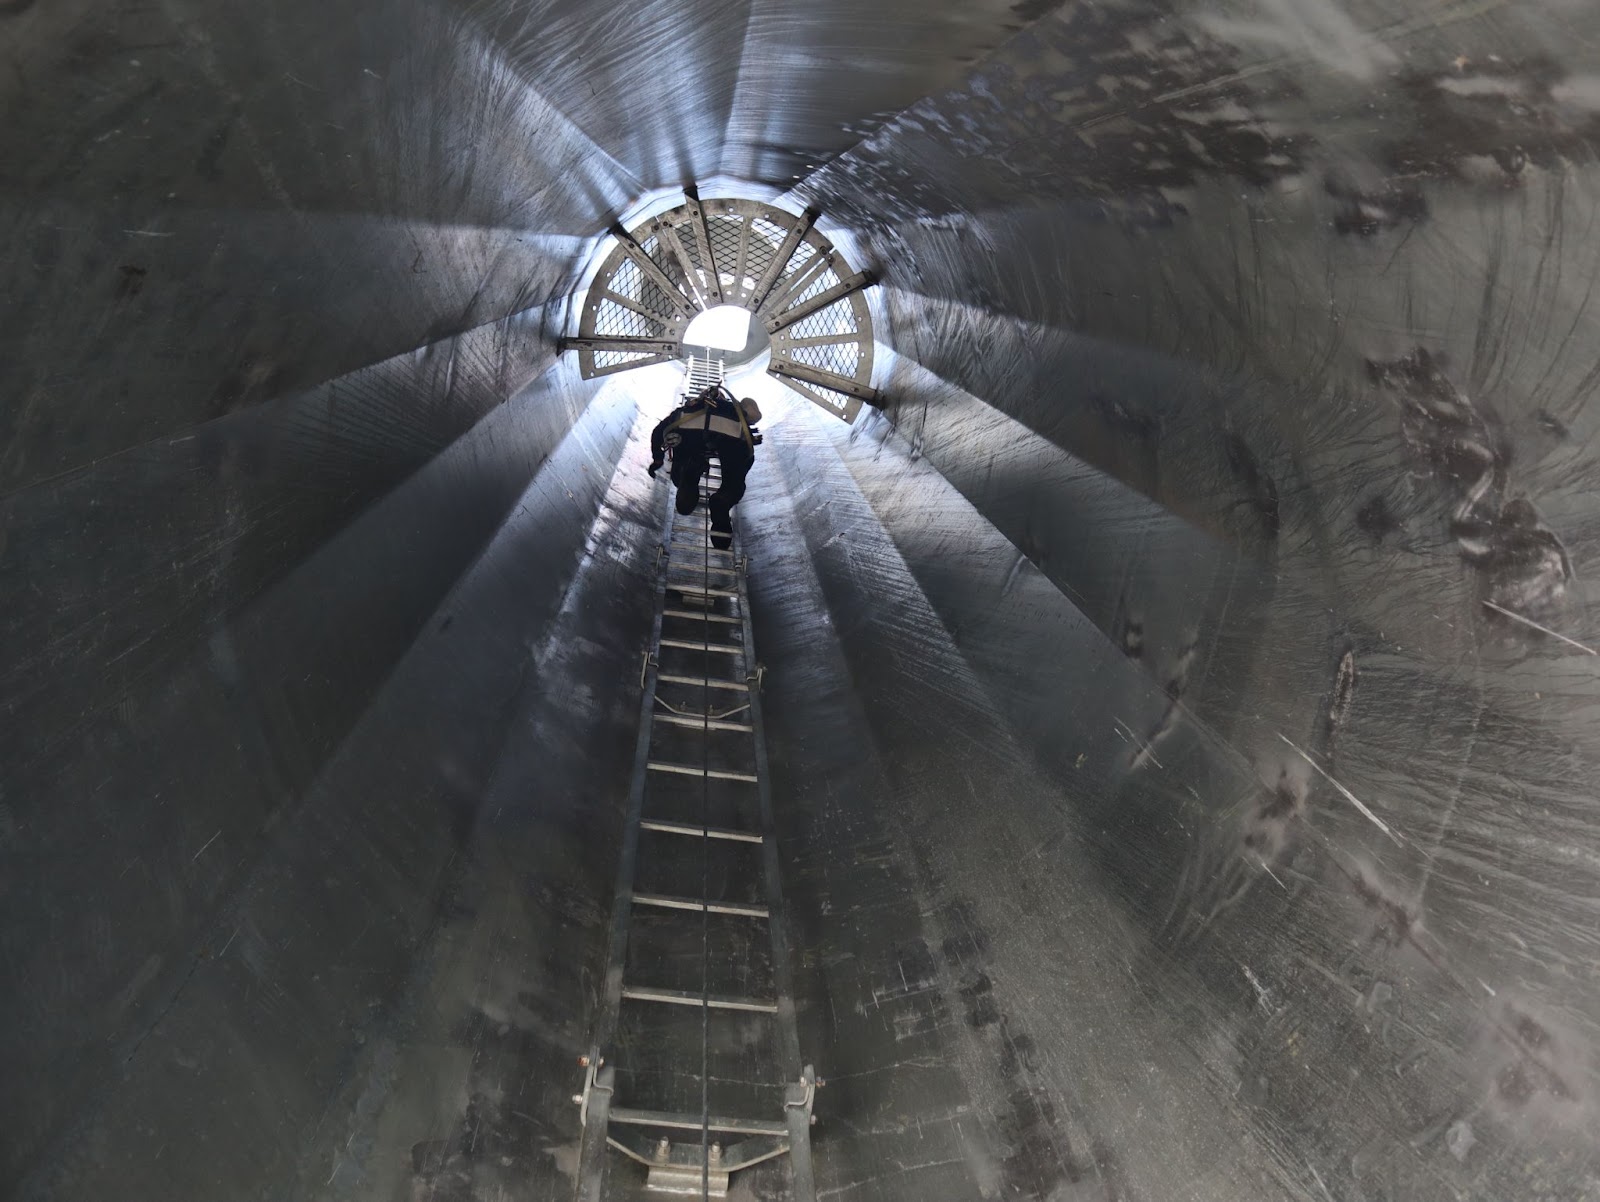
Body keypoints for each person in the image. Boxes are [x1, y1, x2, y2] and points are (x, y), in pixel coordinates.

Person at [649, 385, 762, 549]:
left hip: (692, 432)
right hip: (732, 438)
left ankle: (688, 474)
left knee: (684, 461)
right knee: (734, 482)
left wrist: (658, 460)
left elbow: (658, 432)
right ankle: (722, 501)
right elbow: (749, 454)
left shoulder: (688, 409)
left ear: (701, 397)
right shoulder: (734, 411)